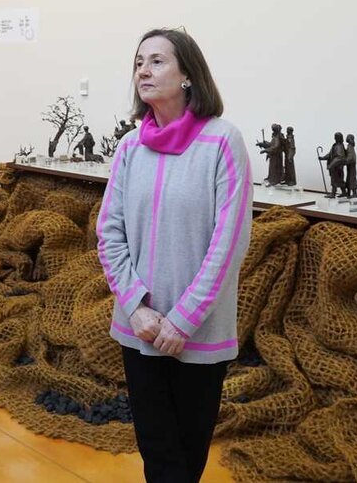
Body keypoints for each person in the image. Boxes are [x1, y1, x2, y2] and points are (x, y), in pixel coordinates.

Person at [97, 28, 253, 483]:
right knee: (157, 453)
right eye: (139, 62)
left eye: (158, 61)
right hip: (140, 328)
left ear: (188, 75)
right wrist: (137, 308)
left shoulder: (223, 141)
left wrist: (181, 320)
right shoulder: (129, 146)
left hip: (198, 331)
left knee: (187, 454)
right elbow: (109, 233)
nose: (143, 70)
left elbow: (229, 242)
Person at [319, 132, 346, 198]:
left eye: (335, 137)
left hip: (337, 168)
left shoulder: (339, 147)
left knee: (335, 180)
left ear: (338, 138)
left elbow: (339, 158)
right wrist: (323, 158)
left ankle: (333, 193)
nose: (334, 138)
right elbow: (330, 154)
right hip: (335, 168)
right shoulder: (335, 145)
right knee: (338, 180)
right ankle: (344, 192)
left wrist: (331, 165)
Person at [344, 134, 357, 199]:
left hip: (351, 164)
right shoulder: (349, 146)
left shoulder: (350, 146)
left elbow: (351, 157)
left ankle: (354, 194)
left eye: (347, 137)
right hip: (350, 165)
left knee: (352, 178)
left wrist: (345, 161)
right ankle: (348, 193)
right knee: (349, 178)